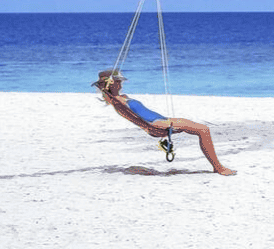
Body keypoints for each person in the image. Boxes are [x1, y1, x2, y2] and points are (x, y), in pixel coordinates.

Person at [92, 68, 236, 176]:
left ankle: (217, 166)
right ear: (110, 84)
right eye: (117, 81)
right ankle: (218, 167)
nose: (120, 83)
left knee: (200, 128)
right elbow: (138, 118)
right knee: (203, 130)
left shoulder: (121, 98)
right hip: (158, 124)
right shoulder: (118, 101)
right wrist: (156, 129)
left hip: (160, 122)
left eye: (120, 81)